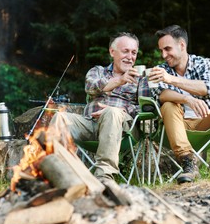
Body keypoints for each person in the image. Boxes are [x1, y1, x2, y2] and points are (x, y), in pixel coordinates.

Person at [49, 32, 150, 182]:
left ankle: (104, 176)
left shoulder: (141, 79)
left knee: (112, 113)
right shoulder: (97, 71)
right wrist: (120, 80)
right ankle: (58, 173)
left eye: (133, 52)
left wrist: (121, 111)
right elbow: (91, 87)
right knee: (60, 117)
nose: (130, 57)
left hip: (124, 129)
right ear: (112, 52)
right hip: (91, 124)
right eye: (125, 51)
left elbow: (146, 108)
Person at [149, 24, 210, 184]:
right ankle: (188, 163)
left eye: (167, 49)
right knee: (168, 105)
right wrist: (187, 99)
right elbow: (161, 95)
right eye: (161, 50)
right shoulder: (160, 70)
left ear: (182, 45)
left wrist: (171, 79)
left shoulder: (204, 63)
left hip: (205, 122)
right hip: (176, 125)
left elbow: (207, 87)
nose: (163, 55)